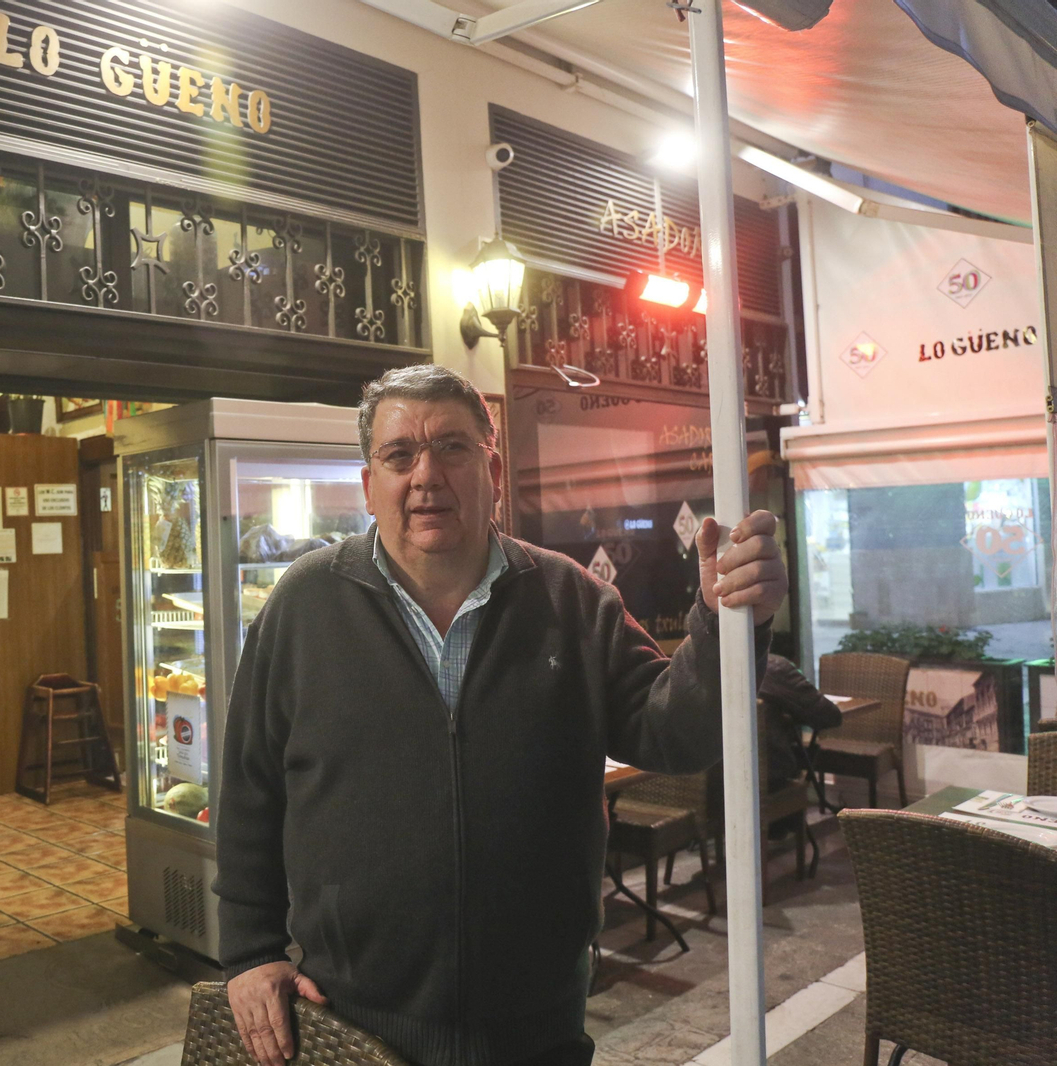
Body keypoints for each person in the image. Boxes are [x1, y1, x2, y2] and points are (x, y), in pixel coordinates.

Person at [214, 365, 788, 1066]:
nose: (427, 476)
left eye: (452, 448)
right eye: (400, 455)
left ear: (492, 468)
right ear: (370, 485)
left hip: (535, 1021)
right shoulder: (303, 605)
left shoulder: (571, 599)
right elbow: (249, 790)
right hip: (349, 1015)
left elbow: (676, 731)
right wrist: (248, 953)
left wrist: (728, 620)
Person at [759, 653, 841, 792]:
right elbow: (829, 716)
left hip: (715, 786)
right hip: (769, 781)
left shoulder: (711, 666)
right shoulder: (772, 667)